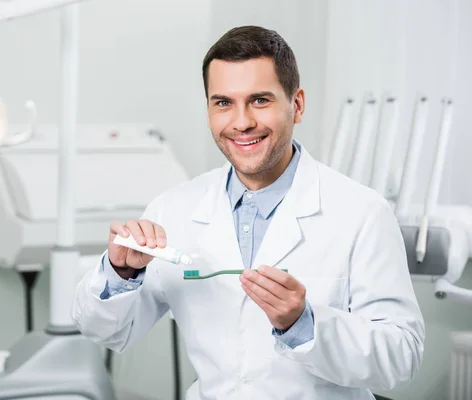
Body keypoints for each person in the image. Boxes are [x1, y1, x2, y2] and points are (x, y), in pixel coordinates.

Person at [71, 26, 425, 400]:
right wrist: (122, 273)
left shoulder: (362, 213)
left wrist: (302, 324)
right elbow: (109, 332)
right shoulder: (174, 209)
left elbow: (402, 355)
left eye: (259, 100)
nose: (241, 122)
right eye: (223, 102)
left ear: (297, 104)